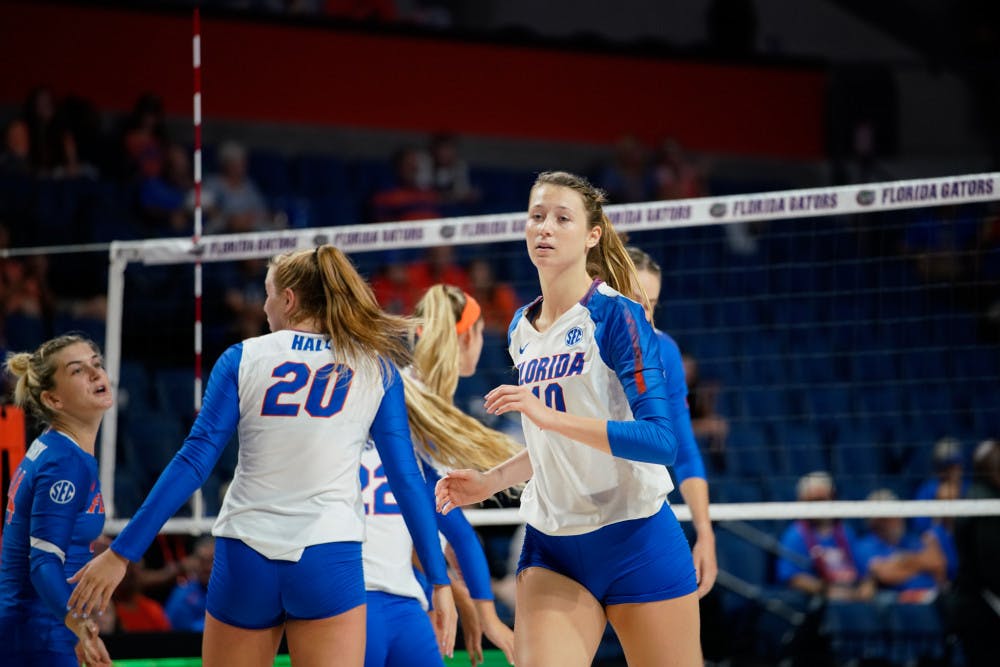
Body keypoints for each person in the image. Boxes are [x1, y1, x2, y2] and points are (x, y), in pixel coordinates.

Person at [67, 245, 456, 667]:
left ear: (288, 300)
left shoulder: (243, 357)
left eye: (268, 294)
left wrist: (122, 553)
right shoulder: (375, 367)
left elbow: (194, 462)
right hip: (327, 558)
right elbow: (406, 482)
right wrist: (440, 581)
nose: (264, 306)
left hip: (244, 556)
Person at [436, 171, 702, 666]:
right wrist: (488, 482)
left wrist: (549, 417)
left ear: (592, 235)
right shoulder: (521, 326)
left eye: (562, 219)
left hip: (636, 538)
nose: (545, 228)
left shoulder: (617, 316)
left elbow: (662, 442)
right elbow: (546, 443)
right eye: (537, 217)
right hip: (552, 546)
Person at [364, 285, 518, 667]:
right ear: (468, 337)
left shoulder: (400, 388)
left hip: (364, 579)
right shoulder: (425, 411)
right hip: (381, 586)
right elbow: (454, 529)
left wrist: (456, 594)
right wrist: (486, 615)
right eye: (481, 332)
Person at [0, 334, 112, 666]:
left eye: (96, 364)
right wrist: (80, 627)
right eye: (77, 370)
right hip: (40, 631)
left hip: (39, 625)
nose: (95, 374)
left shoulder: (57, 448)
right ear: (53, 399)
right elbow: (43, 563)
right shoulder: (64, 462)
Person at [627, 246, 718, 598]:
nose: (645, 314)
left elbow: (684, 452)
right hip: (575, 517)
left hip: (641, 514)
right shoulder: (575, 347)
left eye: (651, 303)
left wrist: (705, 533)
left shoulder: (664, 350)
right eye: (635, 300)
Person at [776, 472, 874, 601]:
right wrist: (827, 591)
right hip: (822, 601)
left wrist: (866, 588)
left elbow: (865, 573)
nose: (819, 506)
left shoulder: (846, 532)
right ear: (802, 502)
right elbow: (794, 578)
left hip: (852, 594)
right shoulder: (795, 535)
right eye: (814, 501)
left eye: (823, 499)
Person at [950, 439, 1000, 667]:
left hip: (973, 604)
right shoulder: (987, 502)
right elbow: (990, 564)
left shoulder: (974, 495)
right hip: (981, 609)